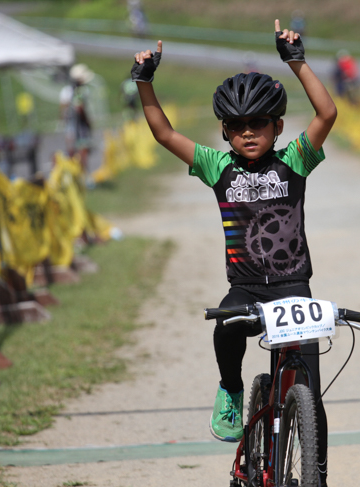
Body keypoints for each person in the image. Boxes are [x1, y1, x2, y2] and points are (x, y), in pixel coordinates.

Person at [132, 19, 337, 485]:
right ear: (225, 131)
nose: (248, 133)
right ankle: (230, 387)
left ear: (277, 125)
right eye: (237, 126)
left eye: (258, 123)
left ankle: (316, 475)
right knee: (226, 325)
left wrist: (297, 61)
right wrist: (144, 83)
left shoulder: (295, 160)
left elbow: (326, 115)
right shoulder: (216, 165)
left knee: (311, 395)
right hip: (243, 287)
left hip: (293, 287)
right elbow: (164, 134)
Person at [59, 64, 94, 172]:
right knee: (82, 150)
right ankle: (83, 174)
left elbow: (62, 110)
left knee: (71, 151)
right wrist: (87, 121)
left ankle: (75, 174)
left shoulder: (66, 91)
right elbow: (80, 108)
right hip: (78, 125)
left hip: (70, 124)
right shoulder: (79, 91)